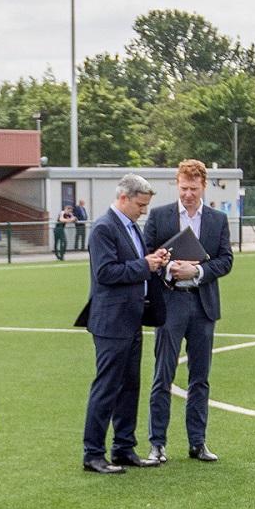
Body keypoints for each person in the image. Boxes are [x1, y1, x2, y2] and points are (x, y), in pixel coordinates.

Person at [142, 159, 234, 464]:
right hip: (170, 304)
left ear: (203, 186)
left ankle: (198, 442)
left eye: (193, 189)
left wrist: (196, 270)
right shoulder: (159, 216)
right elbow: (146, 256)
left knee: (200, 379)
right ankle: (157, 444)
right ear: (176, 184)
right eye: (183, 188)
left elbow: (225, 261)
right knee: (162, 376)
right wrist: (169, 268)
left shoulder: (217, 220)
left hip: (203, 304)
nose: (188, 194)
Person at [78, 173, 171, 473]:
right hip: (111, 321)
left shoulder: (130, 227)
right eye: (140, 205)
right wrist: (145, 265)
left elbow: (130, 265)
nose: (143, 211)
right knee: (107, 387)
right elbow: (105, 273)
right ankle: (93, 453)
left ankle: (123, 448)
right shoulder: (104, 228)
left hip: (132, 318)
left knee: (130, 386)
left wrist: (152, 259)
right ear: (123, 198)